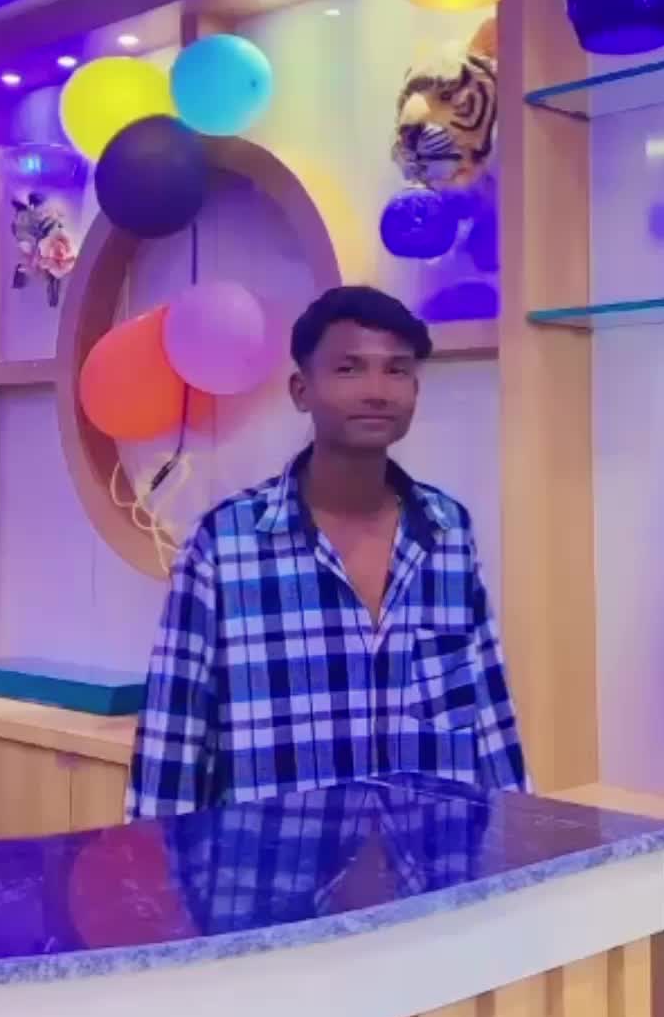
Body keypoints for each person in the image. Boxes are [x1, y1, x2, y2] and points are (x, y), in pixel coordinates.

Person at [127, 285, 526, 817]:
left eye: (397, 370)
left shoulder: (448, 532)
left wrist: (525, 840)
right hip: (276, 863)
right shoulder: (226, 544)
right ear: (301, 390)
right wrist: (153, 862)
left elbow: (489, 714)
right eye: (348, 369)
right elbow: (173, 735)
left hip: (434, 861)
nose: (377, 391)